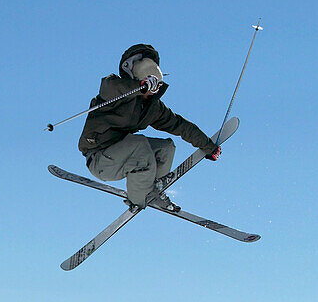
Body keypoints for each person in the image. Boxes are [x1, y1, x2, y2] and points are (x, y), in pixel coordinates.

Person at [78, 44, 220, 208]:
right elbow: (111, 86)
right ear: (139, 81)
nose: (153, 91)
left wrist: (208, 146)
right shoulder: (116, 92)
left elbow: (180, 126)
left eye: (157, 85)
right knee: (139, 144)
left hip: (123, 154)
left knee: (166, 148)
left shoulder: (153, 108)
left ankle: (154, 190)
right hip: (99, 159)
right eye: (150, 85)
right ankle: (140, 197)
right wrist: (137, 87)